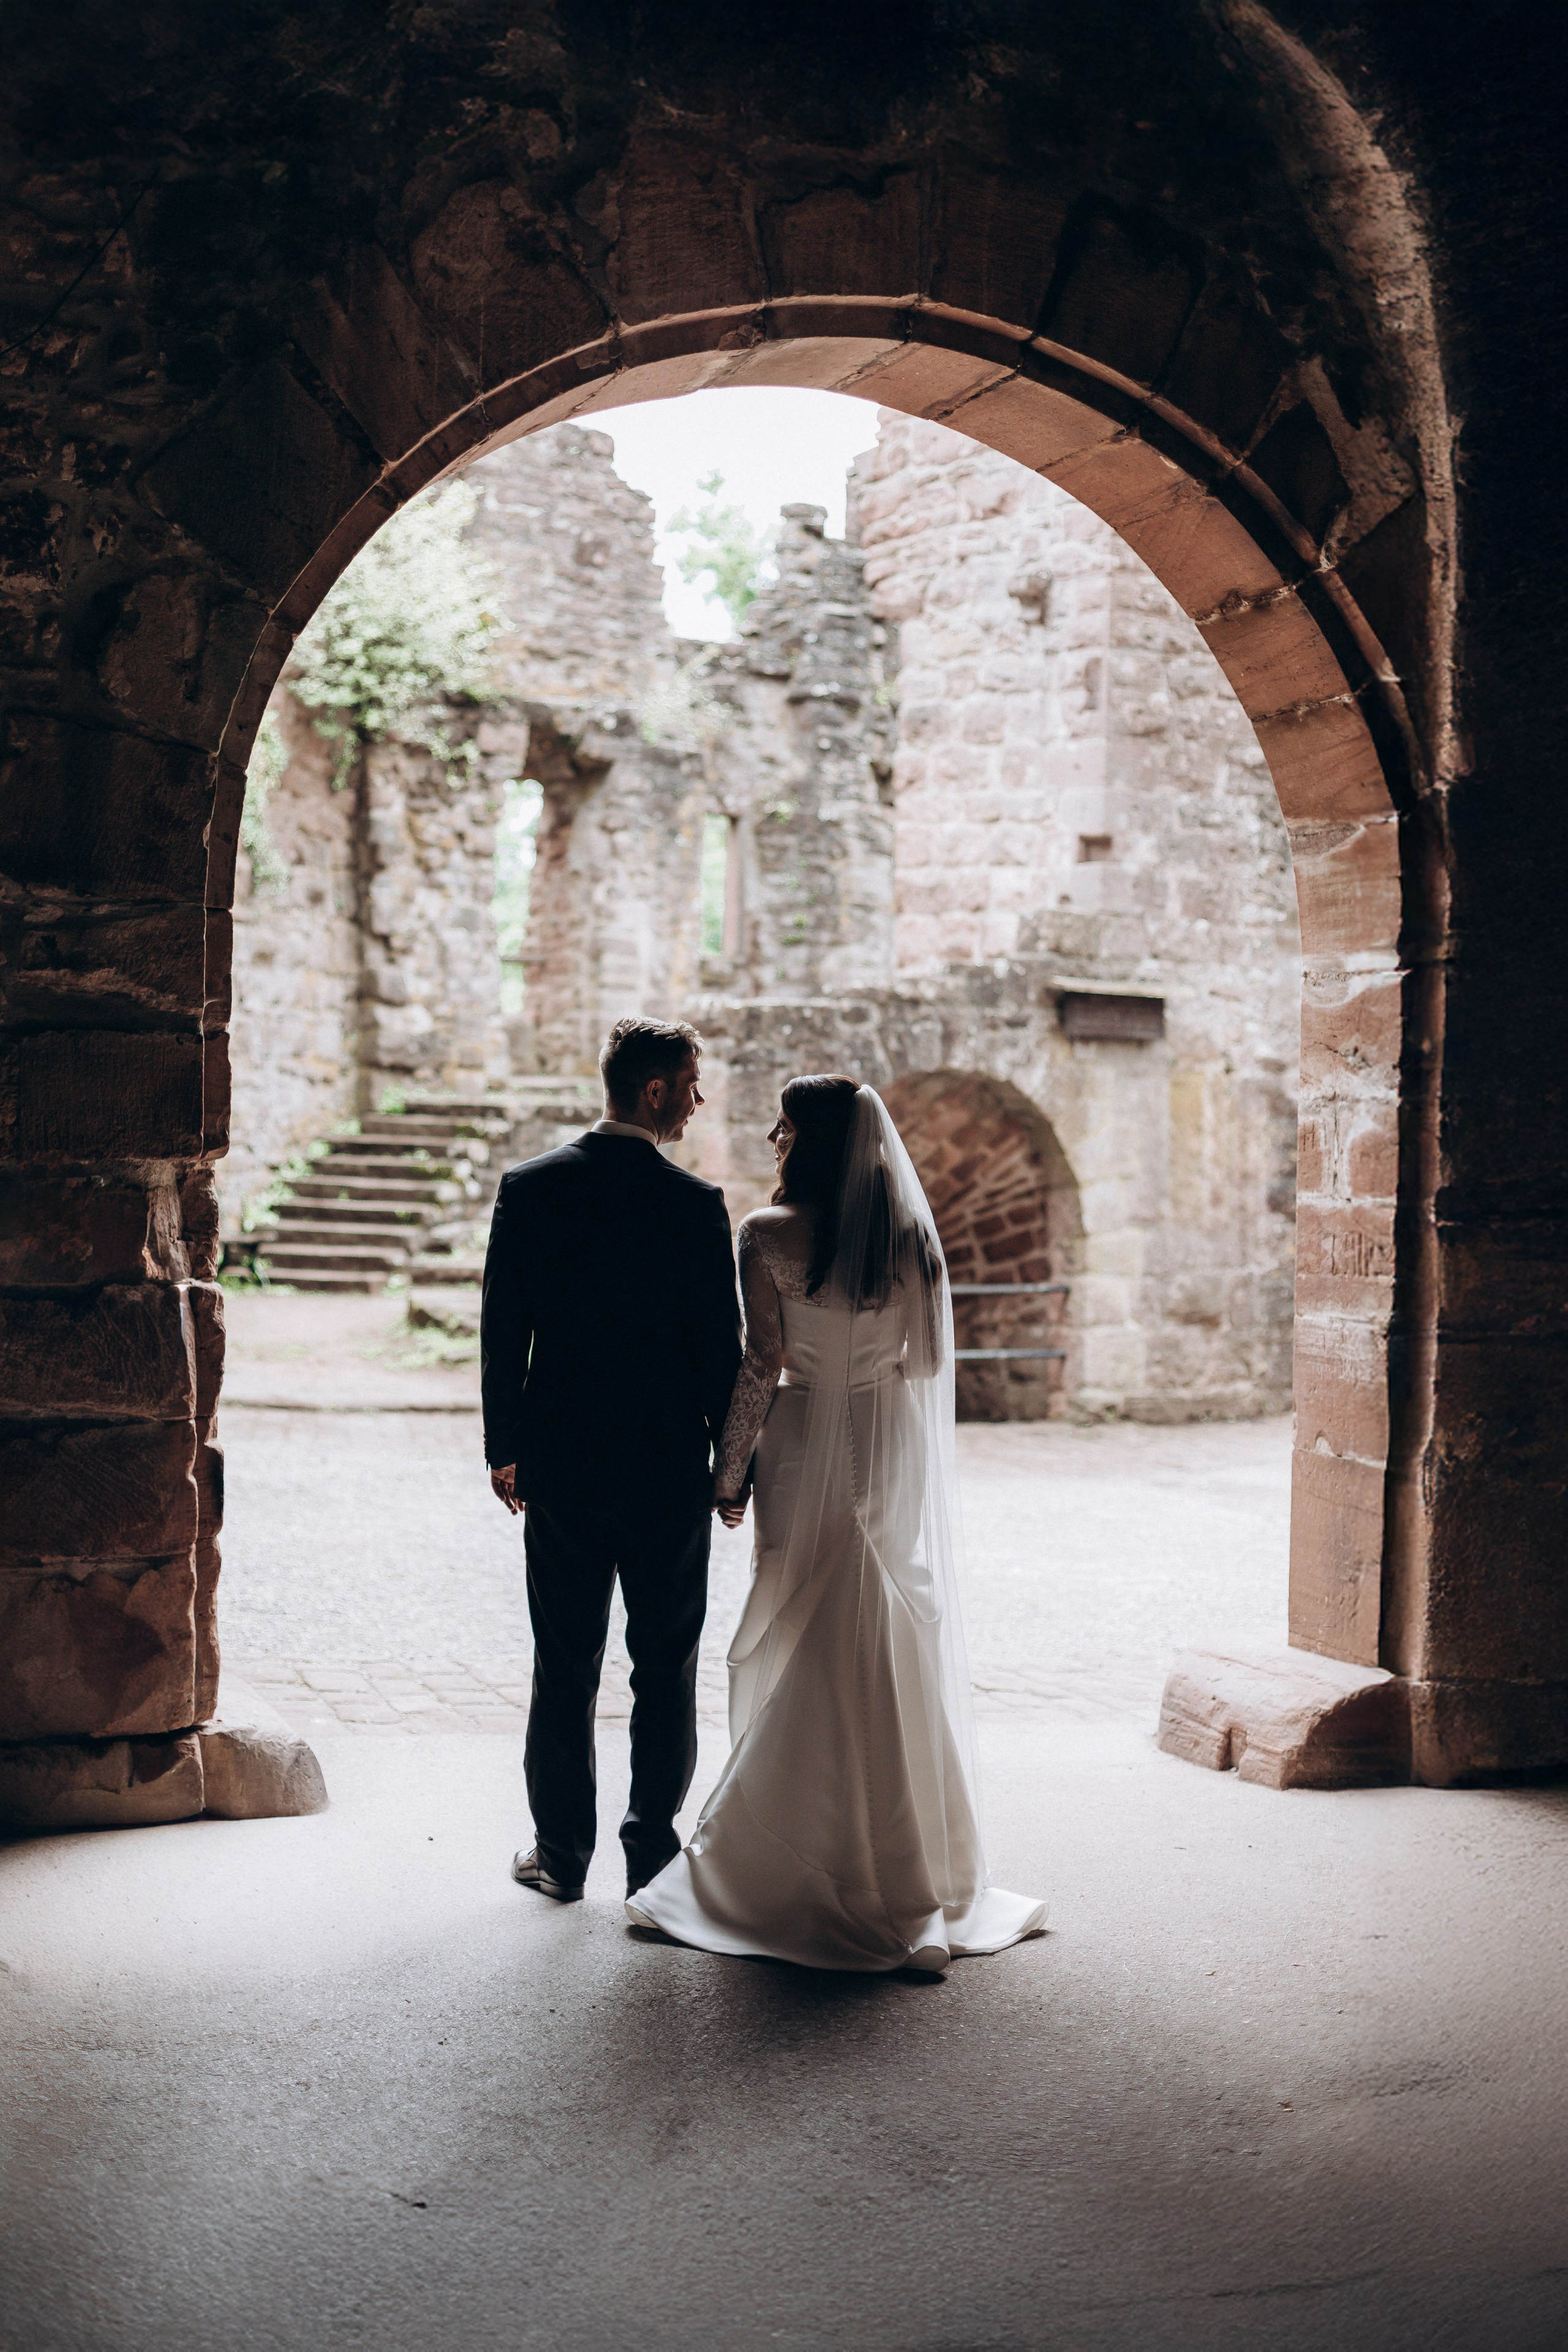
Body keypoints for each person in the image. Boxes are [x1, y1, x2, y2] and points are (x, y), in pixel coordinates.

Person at [627, 1074, 1047, 1975]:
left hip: (804, 1433)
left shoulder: (767, 1236)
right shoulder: (911, 1244)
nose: (775, 1139)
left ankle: (788, 1846)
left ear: (804, 1142)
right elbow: (928, 1363)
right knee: (880, 1614)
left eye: (783, 1128)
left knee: (801, 1613)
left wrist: (729, 1471)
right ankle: (915, 1860)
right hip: (886, 1435)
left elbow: (760, 1364)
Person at [482, 1017, 741, 1904]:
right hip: (668, 1469)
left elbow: (502, 1330)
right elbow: (722, 1355)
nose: (699, 1101)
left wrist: (504, 1447)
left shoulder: (532, 1187)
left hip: (564, 1464)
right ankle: (653, 1855)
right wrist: (731, 1469)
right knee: (665, 1667)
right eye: (693, 1084)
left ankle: (560, 1856)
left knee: (565, 1664)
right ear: (657, 1090)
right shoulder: (696, 1207)